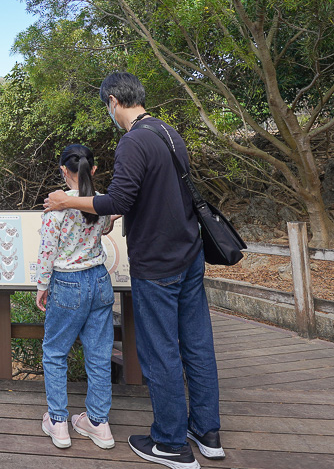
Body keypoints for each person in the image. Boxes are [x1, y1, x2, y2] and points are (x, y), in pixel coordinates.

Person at [44, 72, 223, 469]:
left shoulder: (133, 142)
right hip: (189, 252)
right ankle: (207, 432)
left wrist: (65, 202)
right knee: (196, 343)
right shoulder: (168, 132)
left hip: (158, 263)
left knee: (159, 350)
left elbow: (118, 200)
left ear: (112, 101)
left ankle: (171, 443)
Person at [36, 144, 115, 451]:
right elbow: (106, 226)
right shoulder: (98, 203)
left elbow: (47, 251)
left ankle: (58, 423)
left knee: (55, 352)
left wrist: (42, 285)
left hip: (67, 283)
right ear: (92, 171)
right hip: (99, 280)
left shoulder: (56, 207)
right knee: (98, 354)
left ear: (62, 171)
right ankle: (98, 424)